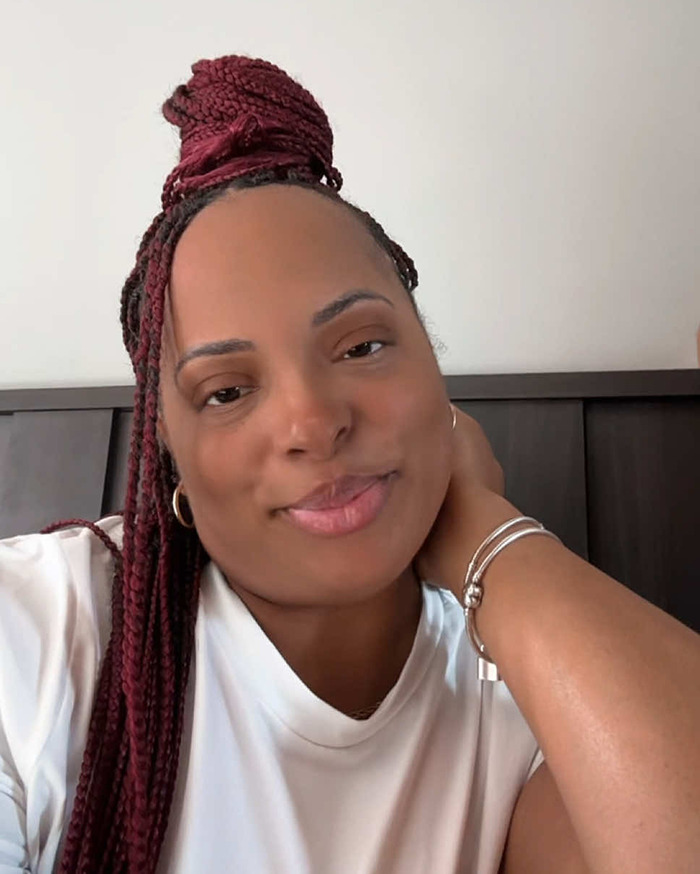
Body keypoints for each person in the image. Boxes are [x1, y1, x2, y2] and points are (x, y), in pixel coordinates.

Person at [0, 54, 698, 874]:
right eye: (226, 392)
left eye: (363, 345)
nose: (313, 422)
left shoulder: (536, 684)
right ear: (171, 465)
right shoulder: (41, 635)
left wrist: (482, 531)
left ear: (436, 372)